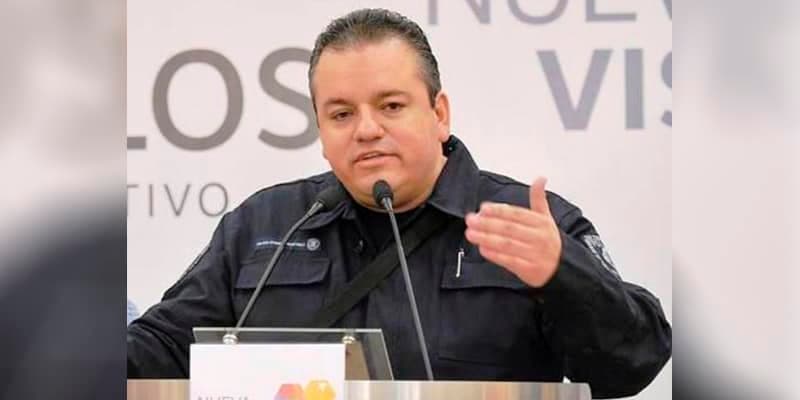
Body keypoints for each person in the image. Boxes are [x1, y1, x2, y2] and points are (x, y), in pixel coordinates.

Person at [127, 8, 671, 398]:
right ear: (321, 130)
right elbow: (162, 350)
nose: (366, 129)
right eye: (341, 114)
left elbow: (632, 364)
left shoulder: (523, 223)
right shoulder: (263, 226)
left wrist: (563, 272)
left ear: (439, 113)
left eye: (390, 106)